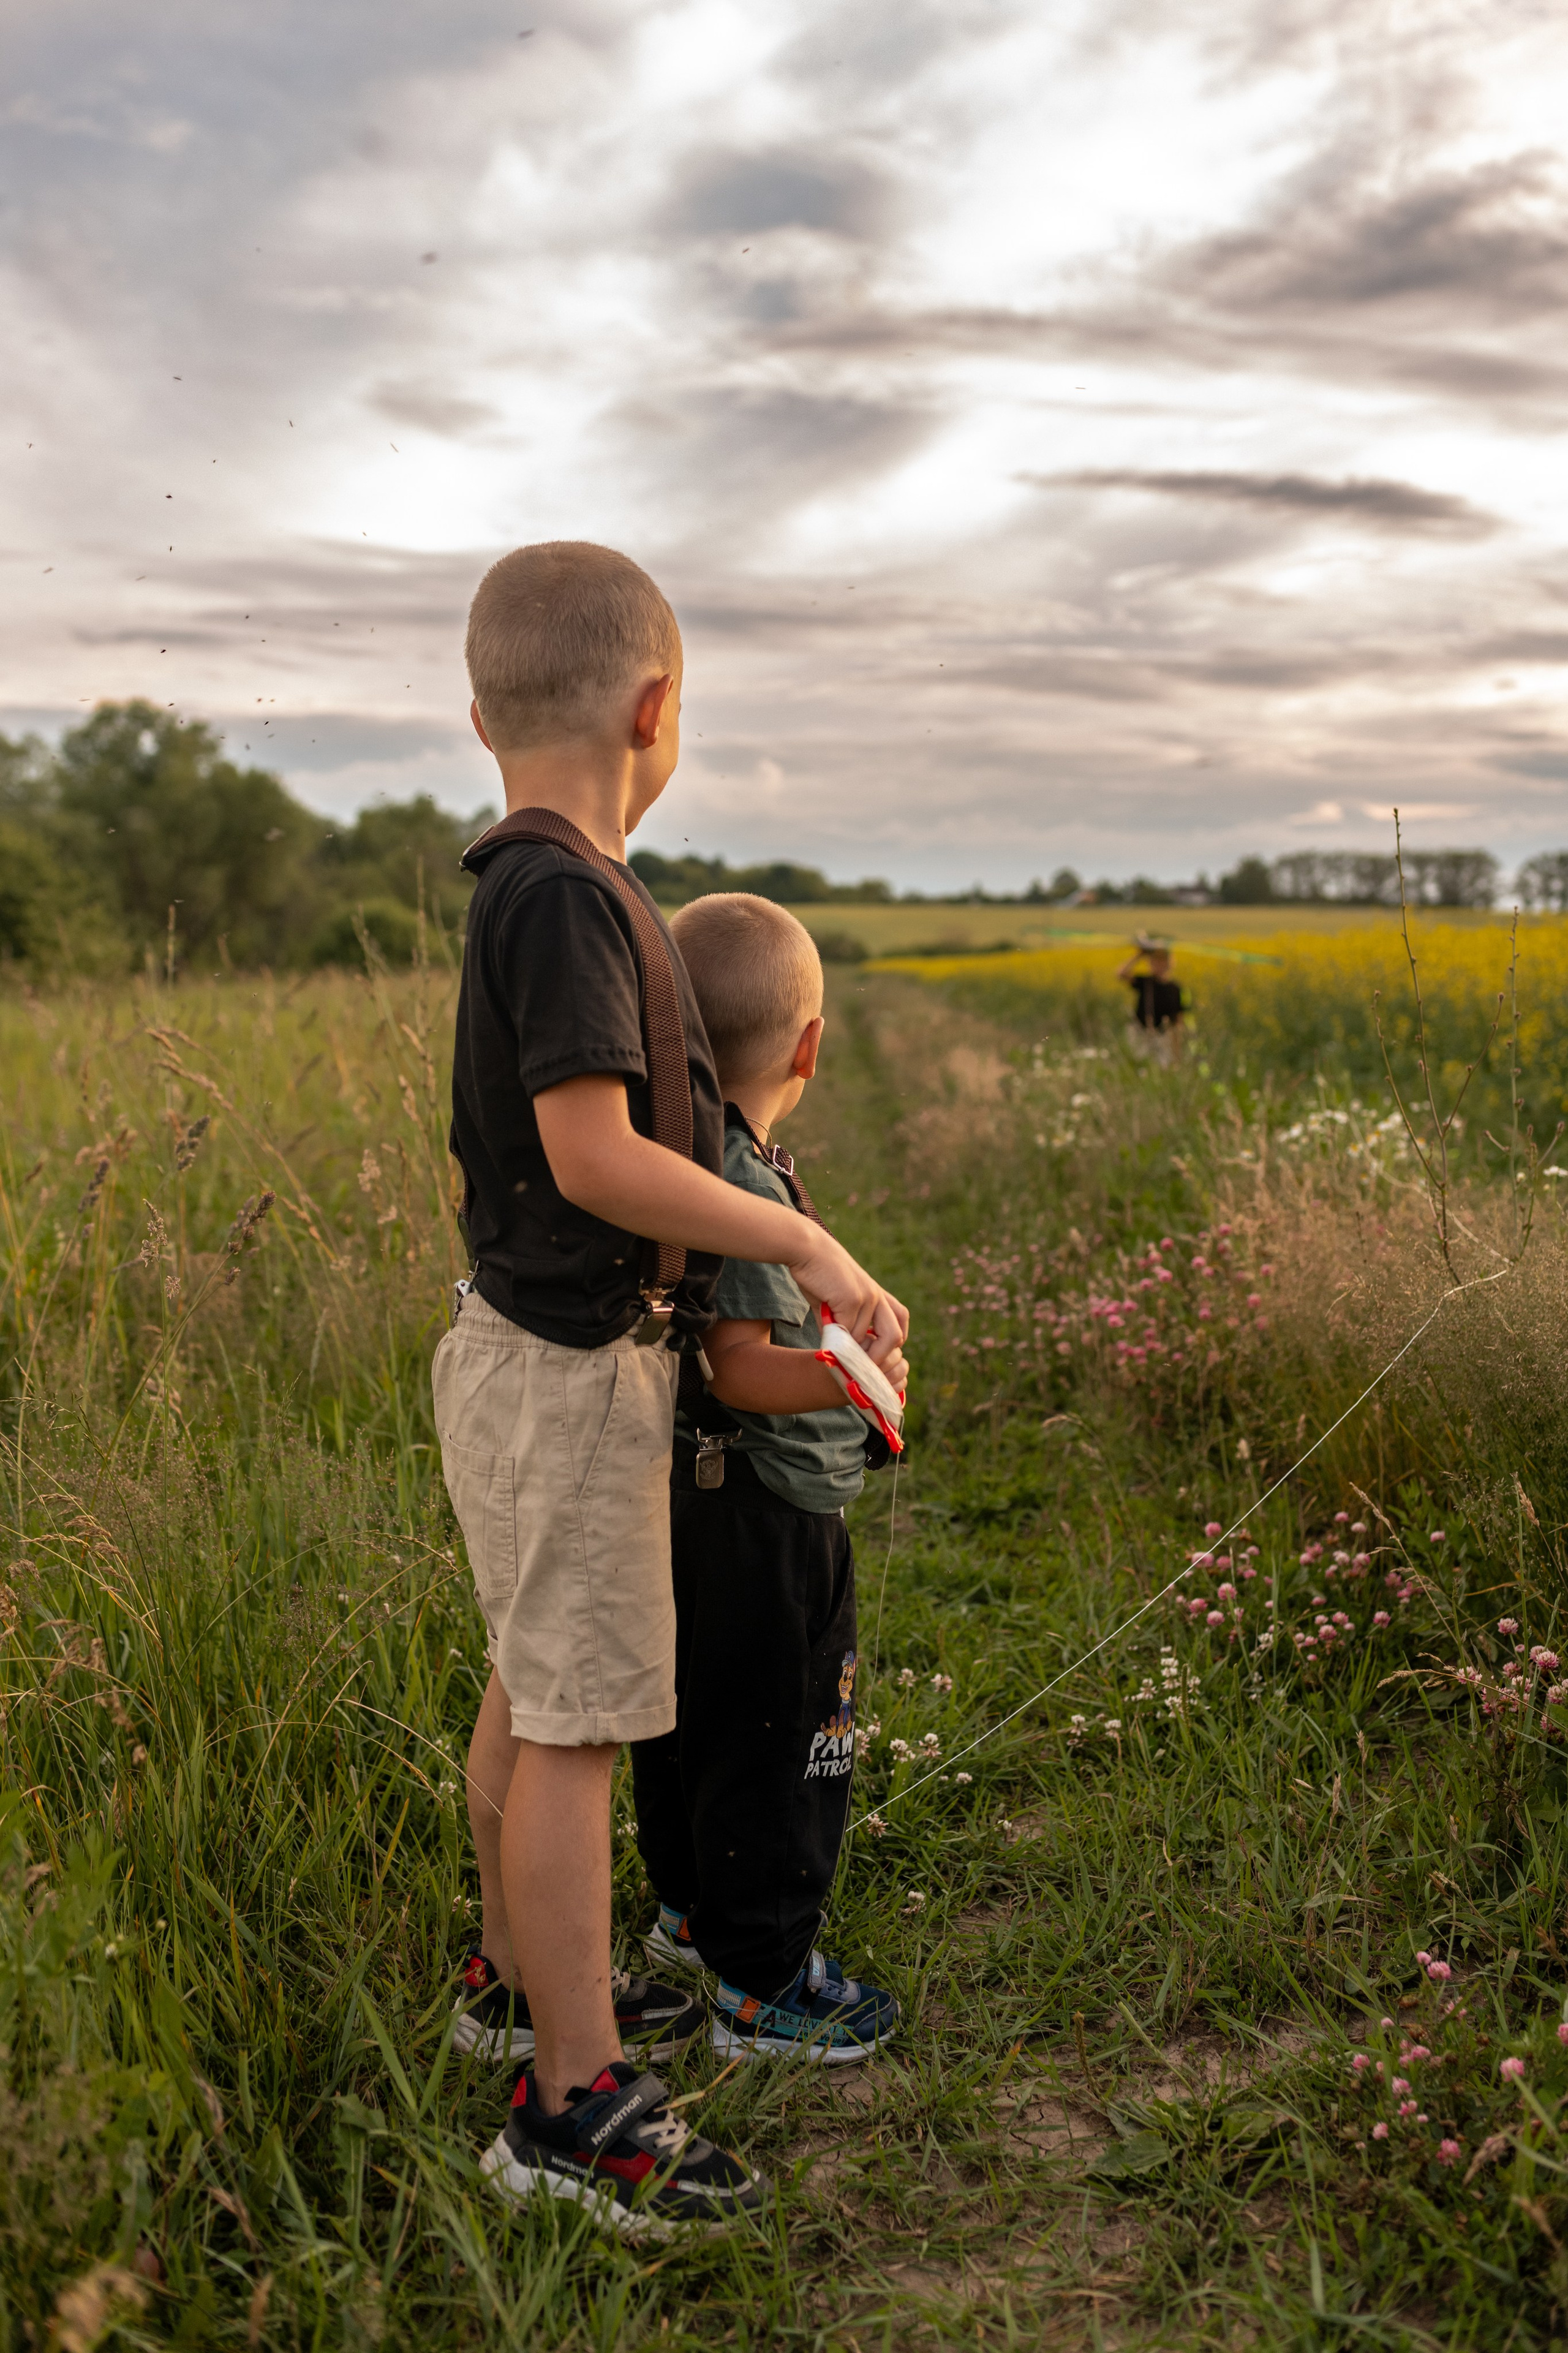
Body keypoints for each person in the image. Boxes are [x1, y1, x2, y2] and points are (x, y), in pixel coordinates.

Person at [430, 542, 909, 2240]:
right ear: (657, 711)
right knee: (576, 1727)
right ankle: (572, 2103)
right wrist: (807, 1238)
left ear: (481, 715)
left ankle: (512, 1980)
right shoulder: (565, 895)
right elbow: (593, 1156)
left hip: (543, 1364)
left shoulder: (555, 887)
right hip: (565, 1378)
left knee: (532, 1685)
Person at [630, 893, 908, 2063]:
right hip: (768, 1508)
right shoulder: (739, 1183)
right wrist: (854, 1371)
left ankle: (691, 1914)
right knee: (785, 1736)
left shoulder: (679, 1158)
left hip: (691, 1497)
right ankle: (763, 1984)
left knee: (688, 1715)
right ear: (809, 1046)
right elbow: (741, 1367)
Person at [1117, 935, 1186, 1058]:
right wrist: (1140, 955)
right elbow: (1122, 974)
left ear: (1169, 963)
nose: (1159, 965)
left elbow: (1178, 1018)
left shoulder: (1175, 988)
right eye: (1155, 961)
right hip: (1141, 1034)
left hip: (1163, 1037)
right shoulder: (1145, 982)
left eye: (1162, 961)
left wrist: (1177, 1048)